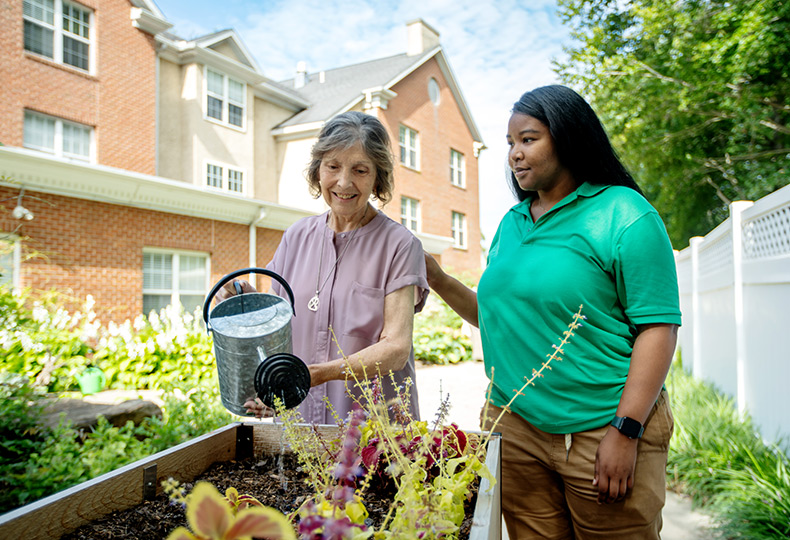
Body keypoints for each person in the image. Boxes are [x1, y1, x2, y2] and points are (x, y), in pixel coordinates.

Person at [425, 85, 681, 539]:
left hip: (601, 427)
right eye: (509, 144)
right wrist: (441, 281)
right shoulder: (512, 222)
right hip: (516, 427)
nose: (514, 155)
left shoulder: (624, 214)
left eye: (528, 139)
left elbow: (657, 328)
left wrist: (626, 430)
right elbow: (497, 316)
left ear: (567, 137)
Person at [217, 111, 429, 424]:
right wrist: (245, 300)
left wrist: (311, 375)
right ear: (319, 170)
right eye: (333, 166)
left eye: (360, 170)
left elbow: (396, 349)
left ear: (377, 177)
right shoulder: (296, 237)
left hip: (373, 436)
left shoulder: (399, 245)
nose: (344, 182)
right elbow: (276, 324)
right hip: (302, 431)